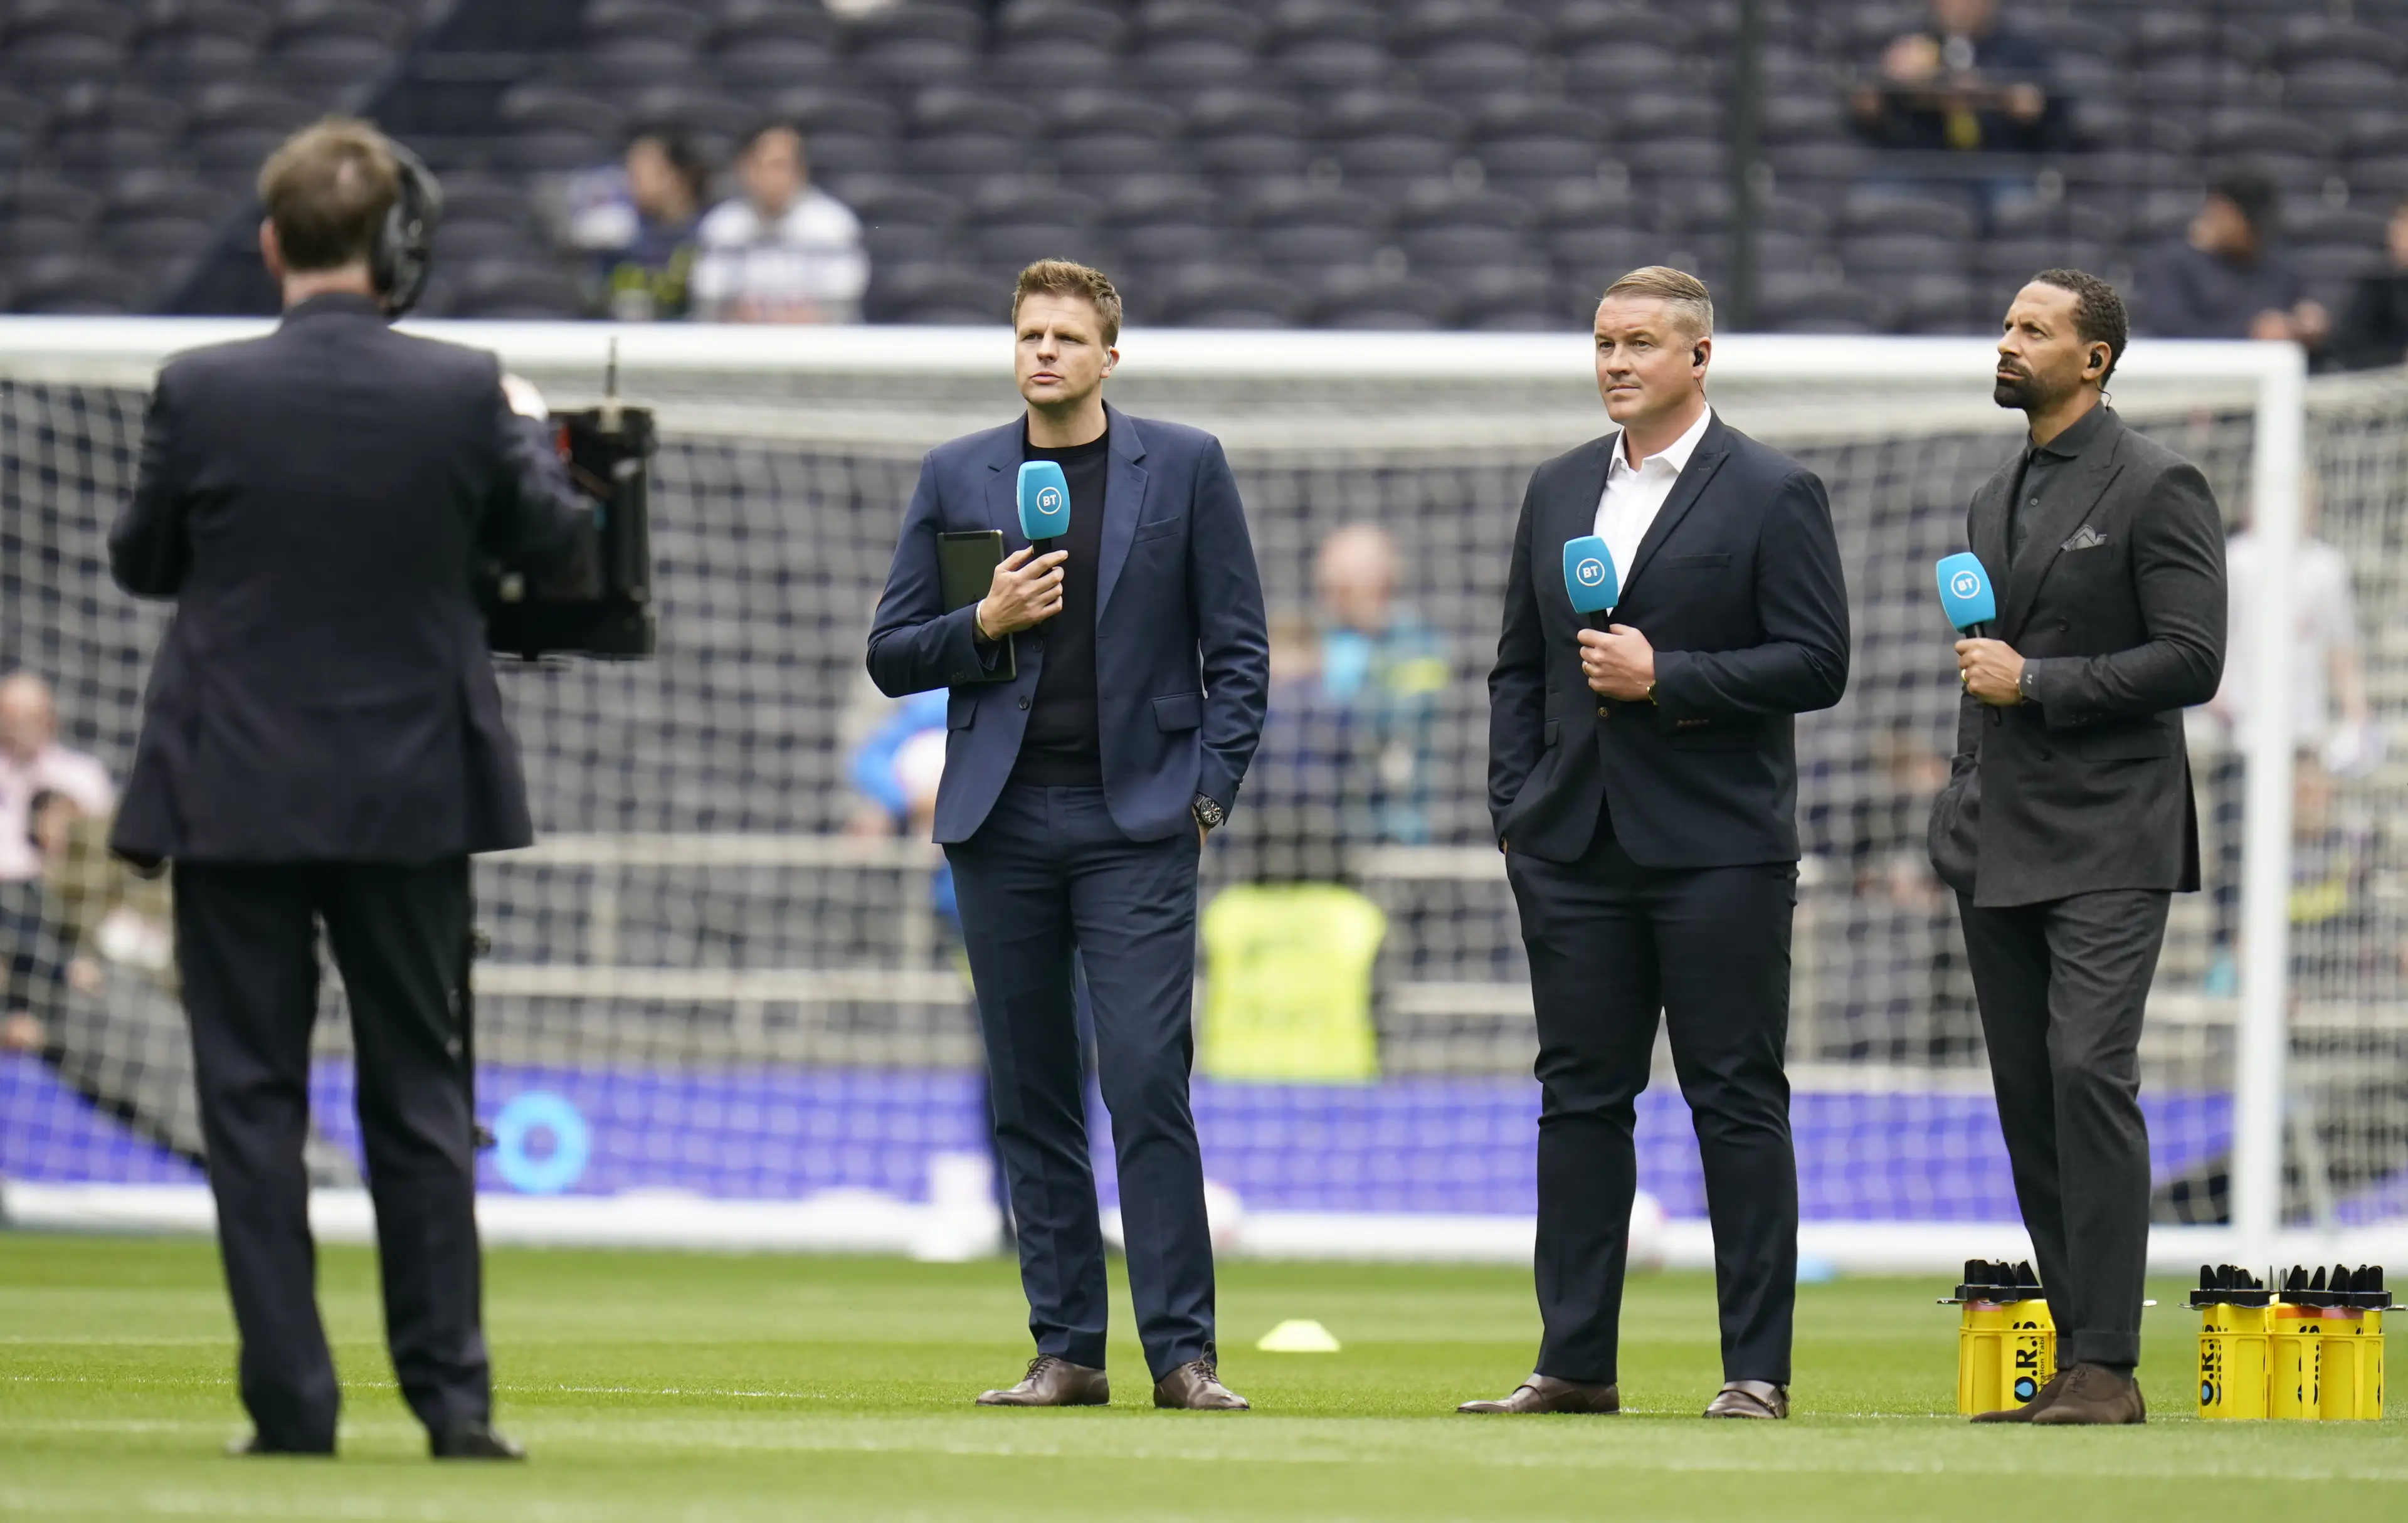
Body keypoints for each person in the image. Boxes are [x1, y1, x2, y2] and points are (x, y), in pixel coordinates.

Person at [107, 117, 594, 1461]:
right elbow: (557, 542)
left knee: (250, 1104)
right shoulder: (461, 388)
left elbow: (143, 559)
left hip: (235, 789)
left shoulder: (198, 387)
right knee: (422, 1101)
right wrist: (537, 442)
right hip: (409, 791)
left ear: (271, 244)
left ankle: (292, 1410)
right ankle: (454, 1405)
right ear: (395, 248)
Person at [866, 260, 1269, 1411]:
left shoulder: (1186, 465)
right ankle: (1068, 1350)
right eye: (1030, 333)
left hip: (1137, 821)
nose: (1045, 351)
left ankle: (1183, 1354)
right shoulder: (958, 471)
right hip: (1001, 821)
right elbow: (892, 648)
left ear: (1109, 355)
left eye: (1067, 335)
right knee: (1031, 1087)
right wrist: (981, 620)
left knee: (1147, 1076)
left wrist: (1206, 795)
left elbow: (1238, 648)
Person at [1469, 266, 1851, 1421]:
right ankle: (1574, 1363)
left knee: (1735, 1097)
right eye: (1603, 342)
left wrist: (1665, 677)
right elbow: (1518, 666)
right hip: (1572, 844)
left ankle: (1755, 1372)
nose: (1616, 361)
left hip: (1717, 849)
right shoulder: (1556, 488)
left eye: (1640, 342)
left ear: (1699, 357)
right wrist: (1517, 807)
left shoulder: (1774, 490)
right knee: (1579, 1098)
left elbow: (1816, 661)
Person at [1928, 269, 2225, 1424]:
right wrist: (1960, 794)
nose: (2006, 341)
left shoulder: (2159, 482)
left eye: (2032, 329)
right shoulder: (1989, 496)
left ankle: (2107, 1359)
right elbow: (1976, 666)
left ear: (2092, 359)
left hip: (2111, 832)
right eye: (2005, 322)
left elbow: (2194, 658)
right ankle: (2077, 1359)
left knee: (2087, 1069)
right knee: (2027, 1095)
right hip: (1998, 834)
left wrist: (2037, 681)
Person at [1311, 525, 1449, 846]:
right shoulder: (1323, 641)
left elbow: (1412, 718)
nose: (1333, 598)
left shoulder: (1418, 647)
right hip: (1329, 827)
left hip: (1399, 826)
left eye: (1344, 586)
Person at [0, 672, 114, 1050]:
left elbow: (103, 854)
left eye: (28, 716)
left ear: (50, 718)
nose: (18, 726)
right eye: (9, 715)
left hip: (71, 898)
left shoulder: (82, 774)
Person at [690, 120, 869, 324]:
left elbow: (843, 304)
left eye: (783, 165)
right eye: (767, 165)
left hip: (817, 346)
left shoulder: (832, 224)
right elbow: (708, 301)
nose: (775, 176)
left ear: (801, 170)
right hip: (741, 345)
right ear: (745, 168)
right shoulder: (722, 226)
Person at [2138, 168, 2326, 347]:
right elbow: (2169, 333)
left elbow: (2302, 314)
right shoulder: (2174, 265)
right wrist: (2249, 334)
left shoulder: (2276, 267)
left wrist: (2306, 327)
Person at [1850, 0, 2061, 155]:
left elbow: (2050, 112)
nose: (1961, 6)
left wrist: (1989, 93)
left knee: (2020, 209)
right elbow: (1864, 107)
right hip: (1918, 157)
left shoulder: (2019, 49)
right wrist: (1888, 77)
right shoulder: (1907, 41)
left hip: (1996, 159)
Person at [574, 125, 708, 321]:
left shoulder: (713, 232)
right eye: (632, 172)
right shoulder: (613, 235)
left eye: (646, 172)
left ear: (681, 175)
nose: (635, 182)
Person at [2328, 194, 2408, 372]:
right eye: (2398, 223)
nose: (2399, 232)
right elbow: (2352, 351)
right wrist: (2398, 359)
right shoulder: (2375, 284)